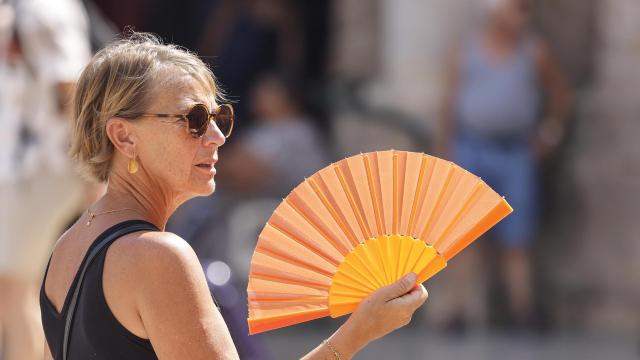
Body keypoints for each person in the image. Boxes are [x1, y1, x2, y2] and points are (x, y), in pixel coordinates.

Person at [40, 32, 428, 359]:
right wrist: (358, 332)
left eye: (218, 117)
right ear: (124, 136)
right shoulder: (159, 256)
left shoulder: (67, 245)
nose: (218, 137)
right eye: (193, 120)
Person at [437, 0, 570, 328]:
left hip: (515, 151)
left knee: (518, 236)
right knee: (464, 235)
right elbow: (450, 100)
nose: (520, 16)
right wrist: (446, 145)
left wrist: (549, 134)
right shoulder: (467, 49)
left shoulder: (534, 51)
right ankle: (457, 309)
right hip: (472, 146)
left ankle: (522, 309)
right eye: (514, 8)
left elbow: (559, 94)